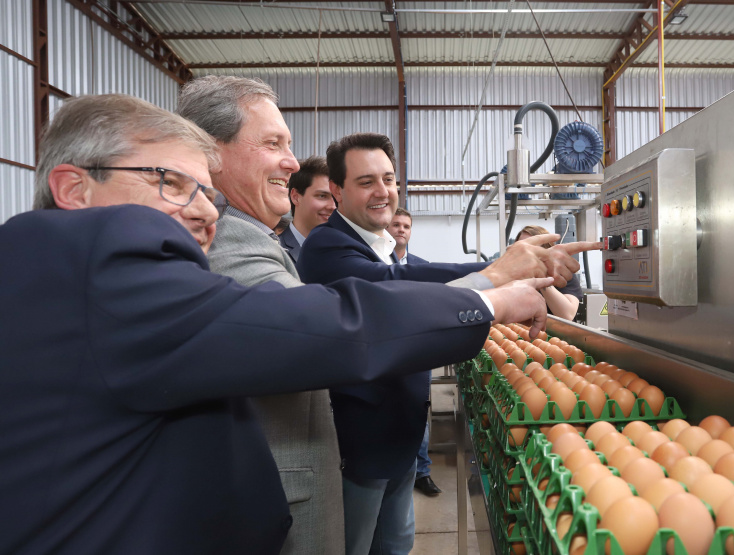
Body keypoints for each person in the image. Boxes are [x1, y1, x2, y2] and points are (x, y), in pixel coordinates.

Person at [0, 93, 551, 555]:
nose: (206, 211)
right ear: (74, 189)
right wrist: (489, 299)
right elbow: (324, 327)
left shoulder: (58, 274)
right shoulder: (108, 276)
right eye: (171, 183)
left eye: (206, 192)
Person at [298, 133, 601, 555]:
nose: (383, 191)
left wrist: (505, 271)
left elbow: (414, 287)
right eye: (366, 181)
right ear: (337, 189)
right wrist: (497, 272)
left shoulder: (378, 245)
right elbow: (394, 294)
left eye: (388, 178)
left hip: (398, 442)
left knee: (394, 546)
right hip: (361, 448)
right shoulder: (326, 246)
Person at [177, 75, 340, 555]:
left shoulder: (256, 233)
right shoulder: (224, 238)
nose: (292, 161)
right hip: (273, 508)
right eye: (273, 143)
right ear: (211, 152)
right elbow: (320, 334)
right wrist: (484, 297)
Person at [387, 207, 439, 496]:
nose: (401, 230)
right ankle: (393, 472)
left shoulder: (421, 266)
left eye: (406, 225)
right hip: (386, 351)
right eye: (396, 224)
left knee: (417, 410)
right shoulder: (376, 262)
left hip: (417, 350)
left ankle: (422, 472)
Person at [515, 225, 584, 320]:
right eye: (521, 248)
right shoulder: (514, 277)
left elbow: (567, 315)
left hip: (556, 333)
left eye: (532, 248)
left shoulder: (563, 273)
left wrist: (542, 279)